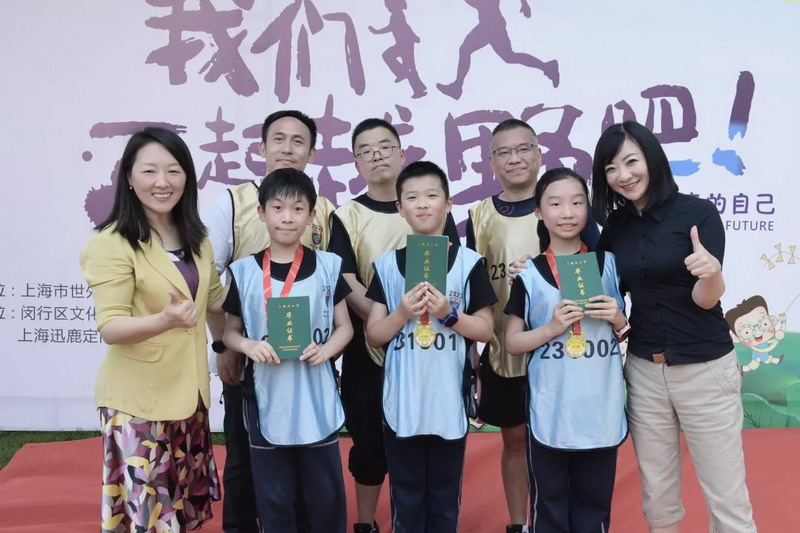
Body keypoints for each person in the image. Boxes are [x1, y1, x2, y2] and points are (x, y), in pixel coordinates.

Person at [591, 121, 756, 533]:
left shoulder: (698, 214)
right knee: (658, 499)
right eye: (611, 168)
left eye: (631, 161)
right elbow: (608, 300)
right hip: (645, 372)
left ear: (652, 158)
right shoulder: (615, 229)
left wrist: (712, 273)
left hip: (705, 370)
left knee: (727, 500)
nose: (623, 175)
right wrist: (529, 269)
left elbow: (706, 299)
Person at [80, 127, 225, 532]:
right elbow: (111, 326)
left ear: (187, 177)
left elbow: (216, 301)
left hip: (190, 398)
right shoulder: (111, 242)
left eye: (173, 170)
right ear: (129, 177)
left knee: (183, 511)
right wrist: (165, 320)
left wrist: (230, 342)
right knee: (151, 516)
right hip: (138, 402)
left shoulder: (197, 238)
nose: (163, 182)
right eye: (149, 171)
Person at [466, 118, 599, 533]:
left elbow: (593, 275)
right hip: (507, 349)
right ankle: (518, 523)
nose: (515, 158)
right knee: (513, 440)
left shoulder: (568, 208)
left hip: (565, 348)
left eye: (523, 148)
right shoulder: (479, 215)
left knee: (562, 442)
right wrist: (473, 353)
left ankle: (565, 520)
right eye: (503, 152)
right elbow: (472, 287)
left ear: (539, 154)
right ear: (491, 161)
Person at [328, 119, 461, 533]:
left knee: (427, 442)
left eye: (385, 146)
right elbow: (345, 279)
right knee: (368, 439)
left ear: (402, 153)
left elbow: (454, 269)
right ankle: (365, 523)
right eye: (365, 150)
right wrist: (387, 317)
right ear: (356, 163)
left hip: (431, 349)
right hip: (369, 344)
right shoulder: (346, 215)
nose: (377, 156)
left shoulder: (431, 207)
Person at [205, 110, 334, 532]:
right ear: (262, 147)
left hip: (306, 365)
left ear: (312, 152)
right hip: (250, 358)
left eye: (298, 141)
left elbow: (334, 285)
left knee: (304, 463)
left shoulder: (324, 210)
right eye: (278, 139)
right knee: (245, 458)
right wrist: (223, 347)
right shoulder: (233, 202)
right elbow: (209, 282)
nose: (287, 148)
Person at [365, 161, 496, 532]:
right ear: (400, 208)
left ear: (448, 203)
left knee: (443, 497)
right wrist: (401, 313)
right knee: (406, 496)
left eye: (432, 196)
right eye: (412, 197)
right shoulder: (387, 265)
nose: (422, 204)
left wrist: (449, 314)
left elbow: (486, 330)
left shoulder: (469, 263)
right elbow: (374, 334)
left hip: (448, 399)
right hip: (402, 401)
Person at [222, 168, 353, 532]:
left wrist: (326, 350)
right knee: (274, 497)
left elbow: (345, 327)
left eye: (297, 209)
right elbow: (231, 332)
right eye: (277, 208)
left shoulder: (328, 266)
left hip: (316, 396)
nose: (287, 217)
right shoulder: (244, 272)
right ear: (261, 213)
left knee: (325, 496)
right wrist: (249, 345)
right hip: (264, 398)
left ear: (311, 215)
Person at [504, 167, 628, 532]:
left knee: (594, 507)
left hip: (600, 409)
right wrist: (551, 328)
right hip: (551, 410)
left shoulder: (610, 264)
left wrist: (617, 317)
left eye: (577, 203)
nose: (568, 212)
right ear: (538, 211)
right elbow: (512, 342)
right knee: (550, 507)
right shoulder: (528, 274)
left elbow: (629, 332)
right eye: (555, 204)